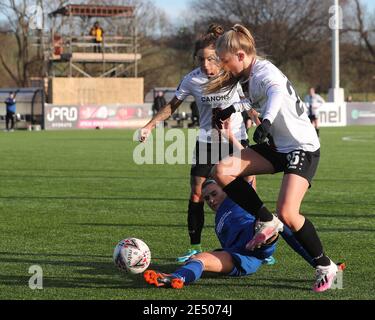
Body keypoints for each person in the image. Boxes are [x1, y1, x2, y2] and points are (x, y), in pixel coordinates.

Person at [204, 24, 338, 292]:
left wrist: (265, 122)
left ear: (241, 55)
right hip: (280, 147)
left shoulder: (265, 72)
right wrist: (230, 109)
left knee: (288, 213)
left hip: (302, 146)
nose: (222, 66)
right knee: (223, 171)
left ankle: (325, 265)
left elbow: (276, 93)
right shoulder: (248, 76)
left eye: (225, 60)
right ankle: (266, 220)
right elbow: (254, 101)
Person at [139, 24, 256, 263]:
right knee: (196, 194)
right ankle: (195, 247)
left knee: (250, 190)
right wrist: (150, 126)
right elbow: (172, 106)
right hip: (207, 141)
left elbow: (248, 99)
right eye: (201, 59)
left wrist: (255, 116)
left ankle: (256, 243)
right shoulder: (191, 79)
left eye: (211, 59)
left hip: (234, 138)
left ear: (220, 57)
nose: (206, 64)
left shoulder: (232, 74)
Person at [143, 179, 323, 289]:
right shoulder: (217, 220)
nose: (211, 200)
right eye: (206, 198)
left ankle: (321, 263)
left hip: (255, 233)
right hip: (243, 259)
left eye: (213, 193)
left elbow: (245, 168)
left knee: (277, 222)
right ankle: (176, 278)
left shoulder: (237, 196)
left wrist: (231, 135)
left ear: (226, 188)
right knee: (200, 258)